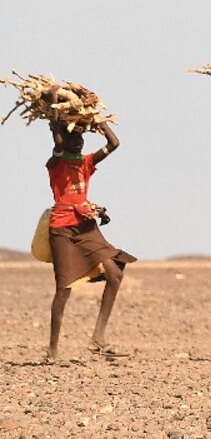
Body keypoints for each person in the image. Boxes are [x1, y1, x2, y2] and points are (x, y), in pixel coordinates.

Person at [44, 94, 136, 361]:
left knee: (114, 274)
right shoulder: (56, 161)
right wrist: (54, 111)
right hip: (62, 228)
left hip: (85, 226)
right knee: (64, 288)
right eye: (76, 137)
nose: (80, 141)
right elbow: (58, 141)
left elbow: (114, 143)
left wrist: (97, 118)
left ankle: (98, 338)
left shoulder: (86, 162)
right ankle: (52, 351)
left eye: (83, 137)